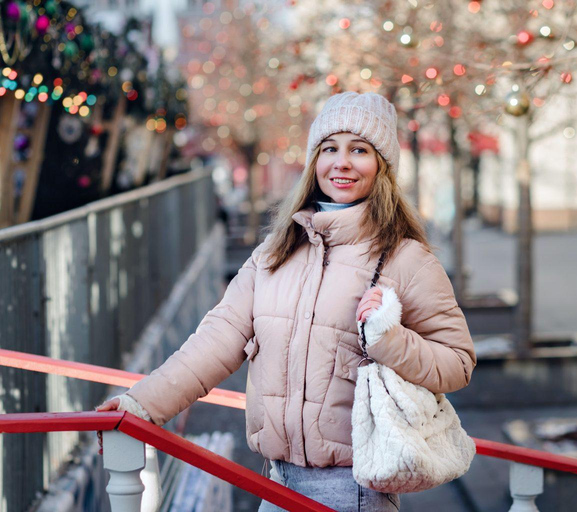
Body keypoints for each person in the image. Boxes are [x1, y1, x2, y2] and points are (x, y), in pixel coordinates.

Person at [97, 92, 476, 511]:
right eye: (329, 148)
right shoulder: (274, 254)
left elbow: (457, 363)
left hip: (353, 492)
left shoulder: (407, 259)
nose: (342, 162)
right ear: (314, 161)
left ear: (382, 167)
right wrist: (141, 404)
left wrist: (390, 338)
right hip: (276, 483)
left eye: (360, 150)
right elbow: (216, 341)